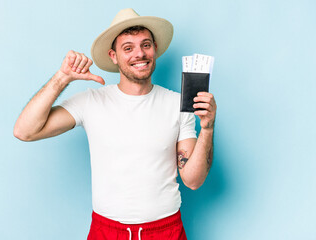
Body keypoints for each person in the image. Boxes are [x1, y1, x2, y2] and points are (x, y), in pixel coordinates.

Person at [14, 8, 216, 240]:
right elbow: (24, 131)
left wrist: (207, 128)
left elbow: (193, 180)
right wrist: (63, 77)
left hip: (165, 232)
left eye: (146, 45)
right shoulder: (91, 101)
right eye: (128, 48)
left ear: (155, 49)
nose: (139, 54)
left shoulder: (177, 103)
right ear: (113, 56)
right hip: (107, 232)